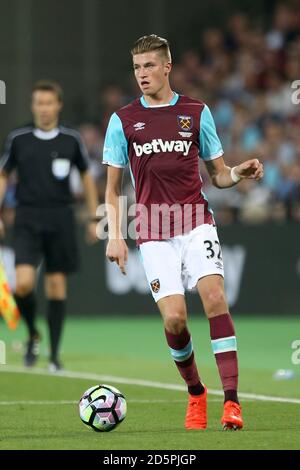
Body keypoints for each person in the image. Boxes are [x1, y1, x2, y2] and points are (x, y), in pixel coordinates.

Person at [103, 35, 263, 430]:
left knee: (214, 298)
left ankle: (232, 402)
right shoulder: (122, 120)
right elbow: (110, 188)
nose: (142, 74)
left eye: (149, 66)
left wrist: (238, 173)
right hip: (153, 231)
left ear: (167, 67)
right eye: (137, 67)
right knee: (174, 320)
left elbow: (219, 176)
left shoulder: (196, 111)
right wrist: (114, 234)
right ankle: (195, 392)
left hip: (195, 222)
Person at [0, 80, 99, 371]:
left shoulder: (71, 139)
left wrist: (94, 218)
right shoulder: (19, 138)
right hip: (27, 217)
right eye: (38, 103)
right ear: (33, 106)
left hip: (61, 218)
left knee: (56, 287)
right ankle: (32, 333)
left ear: (58, 105)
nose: (43, 108)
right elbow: (3, 174)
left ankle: (54, 356)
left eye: (48, 103)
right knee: (23, 284)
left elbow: (87, 177)